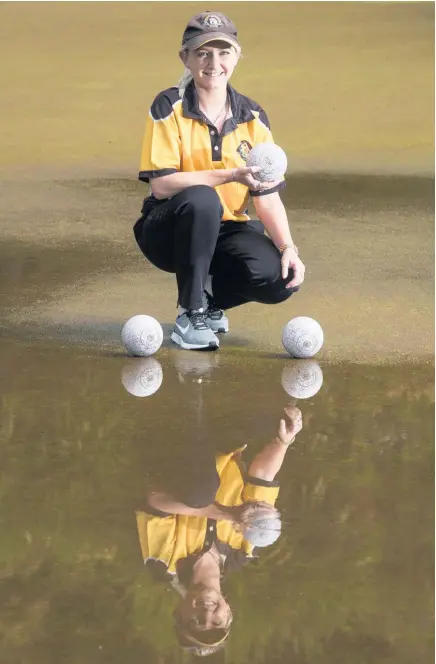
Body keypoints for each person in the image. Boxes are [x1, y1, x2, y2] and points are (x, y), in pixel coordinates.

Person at [133, 11, 306, 351]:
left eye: (224, 52)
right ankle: (190, 313)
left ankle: (209, 298)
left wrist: (289, 248)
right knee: (202, 199)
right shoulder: (169, 105)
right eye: (203, 53)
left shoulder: (254, 118)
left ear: (237, 56)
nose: (214, 63)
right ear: (185, 57)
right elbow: (162, 186)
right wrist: (229, 174)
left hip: (226, 230)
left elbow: (267, 197)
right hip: (169, 229)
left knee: (280, 278)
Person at [135, 405, 303, 656]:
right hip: (227, 443)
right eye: (216, 621)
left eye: (195, 621)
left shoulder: (164, 565)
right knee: (282, 420)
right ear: (229, 613)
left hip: (176, 445)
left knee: (200, 494)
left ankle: (192, 388)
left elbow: (156, 500)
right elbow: (262, 475)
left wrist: (226, 514)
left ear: (179, 611)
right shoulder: (243, 550)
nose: (207, 613)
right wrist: (283, 442)